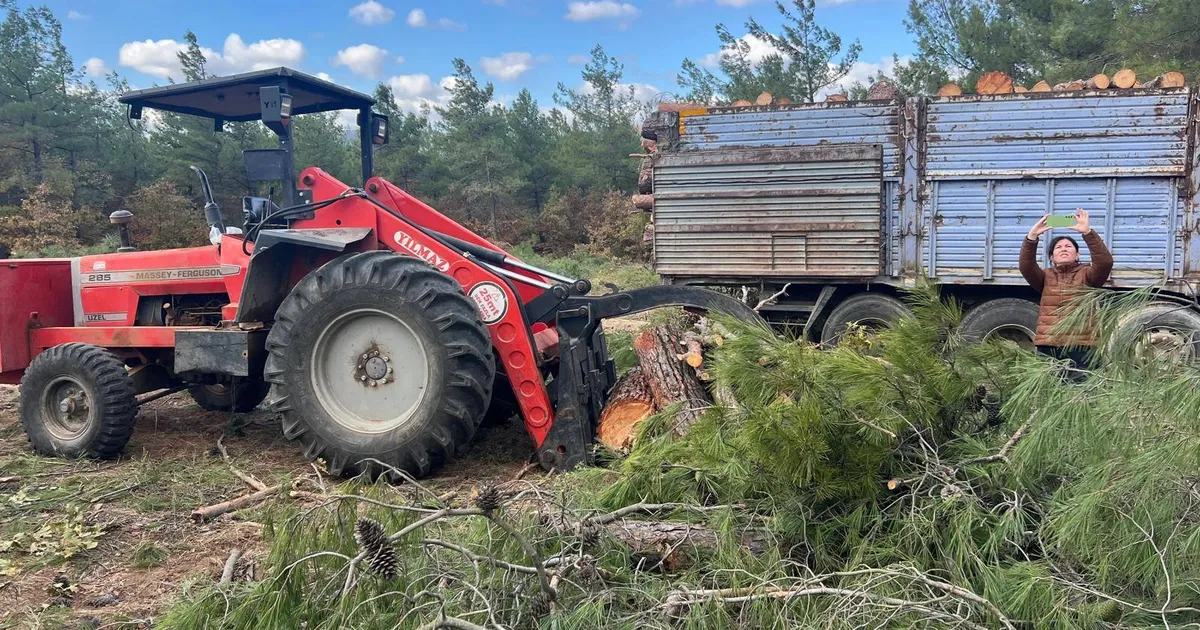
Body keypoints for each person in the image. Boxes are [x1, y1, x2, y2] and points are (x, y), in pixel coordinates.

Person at [1019, 209, 1114, 373]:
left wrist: (1087, 233)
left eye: (1069, 246)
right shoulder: (1044, 277)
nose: (1063, 249)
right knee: (1048, 390)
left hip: (1082, 346)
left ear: (1077, 255)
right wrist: (1032, 237)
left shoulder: (1088, 275)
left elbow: (1105, 262)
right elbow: (1026, 266)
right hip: (1049, 345)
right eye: (1058, 247)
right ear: (1052, 257)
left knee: (1081, 392)